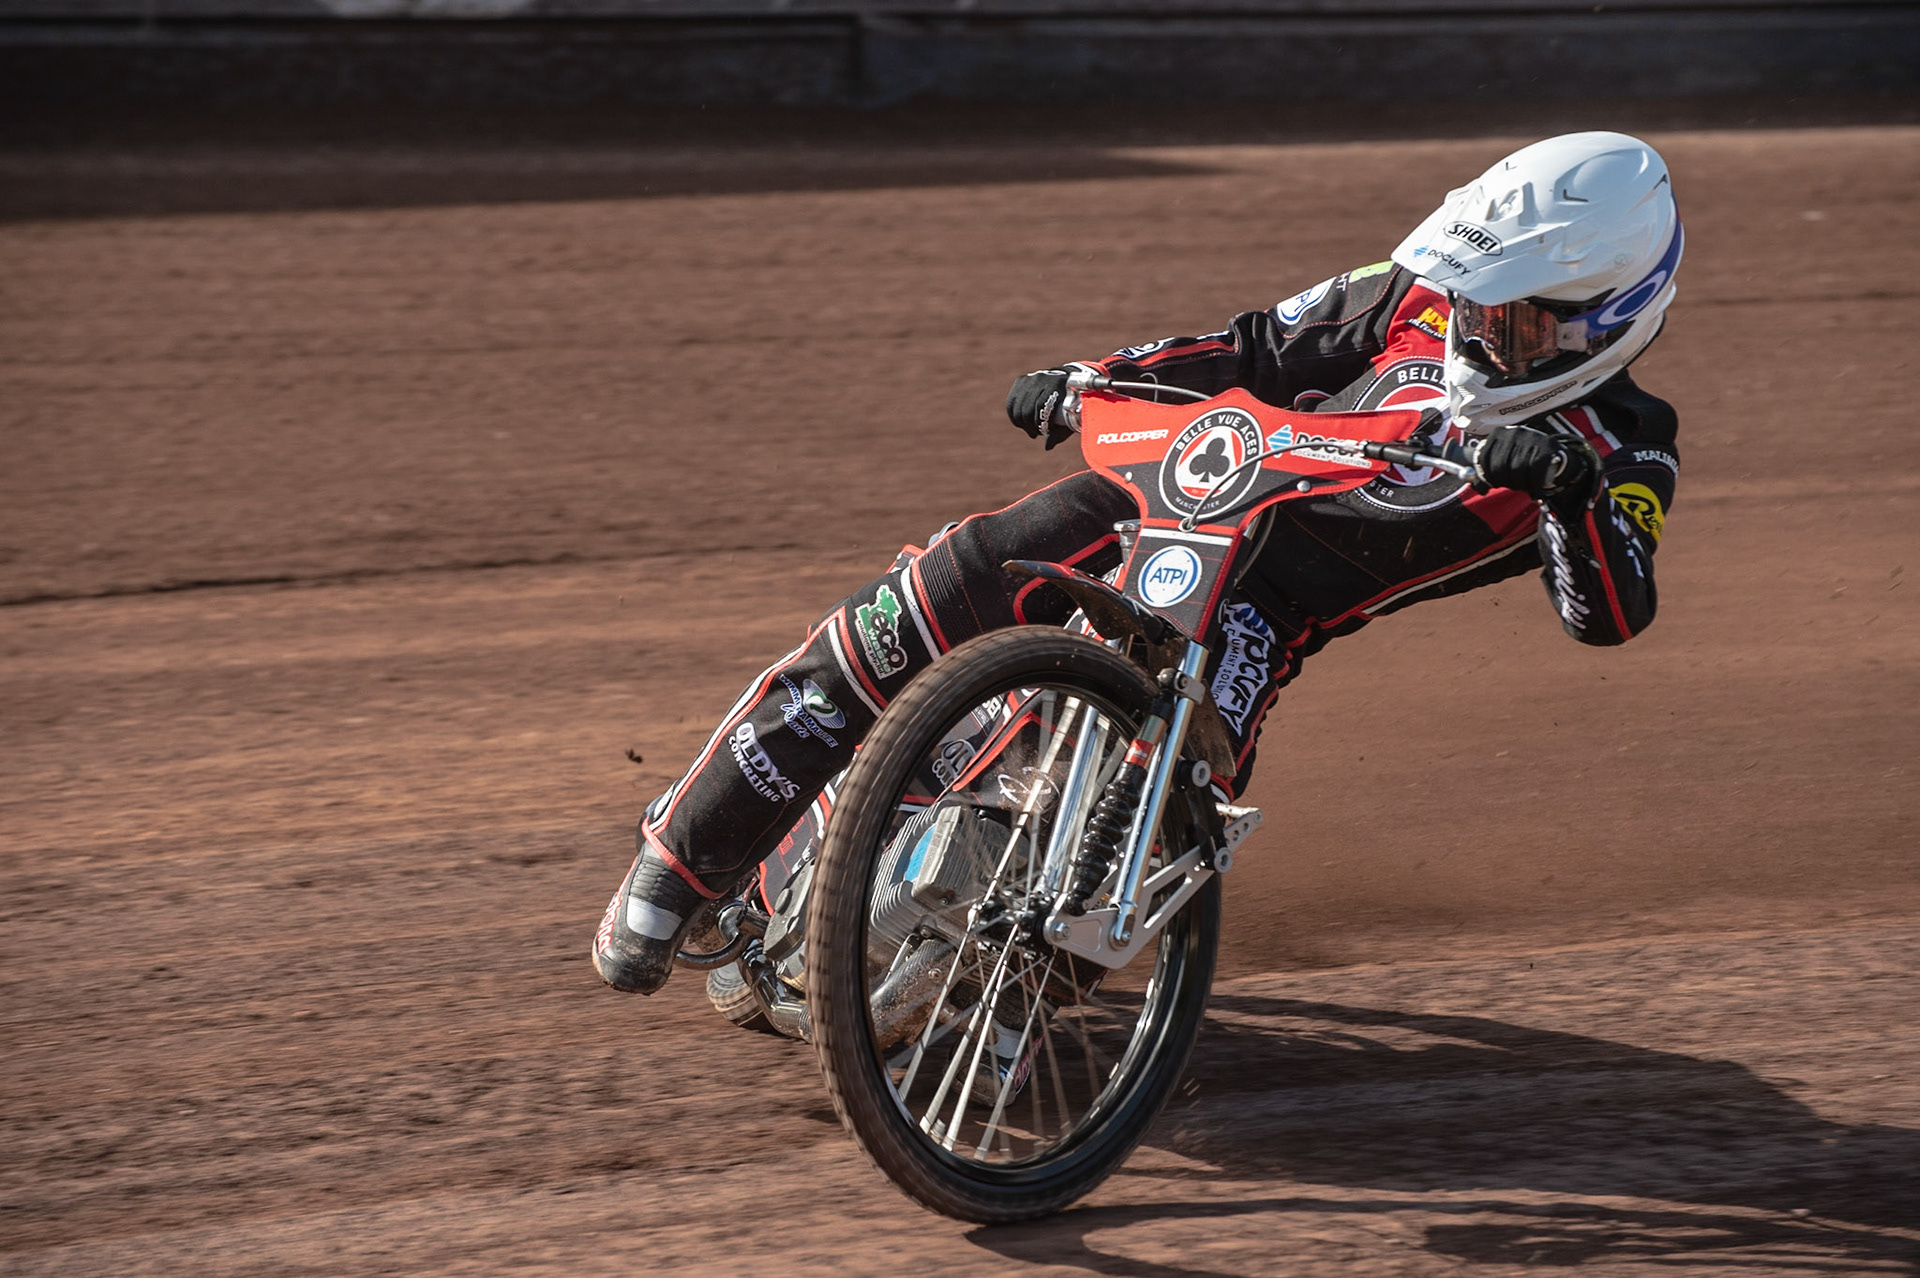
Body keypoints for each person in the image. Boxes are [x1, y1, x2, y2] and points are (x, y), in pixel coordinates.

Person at [591, 130, 1684, 996]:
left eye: (1520, 324)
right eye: (1478, 301)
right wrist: (1093, 376)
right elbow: (1257, 345)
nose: (1482, 333)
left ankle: (1017, 1011)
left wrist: (1570, 495)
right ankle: (683, 859)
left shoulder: (1626, 447)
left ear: (1611, 317)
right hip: (1172, 489)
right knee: (940, 587)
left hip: (1264, 612)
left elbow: (1612, 612)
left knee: (1167, 831)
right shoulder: (1415, 295)